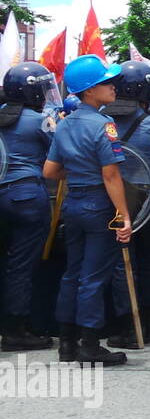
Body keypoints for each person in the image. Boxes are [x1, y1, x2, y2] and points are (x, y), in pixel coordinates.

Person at [43, 55, 135, 365]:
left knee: (73, 274)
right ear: (88, 90)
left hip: (75, 204)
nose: (112, 87)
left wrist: (79, 172)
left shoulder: (66, 124)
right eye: (105, 83)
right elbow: (111, 175)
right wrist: (123, 214)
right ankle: (90, 344)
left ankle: (67, 343)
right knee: (94, 277)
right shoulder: (104, 124)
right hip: (98, 205)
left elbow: (50, 171)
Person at [100, 61, 150, 349]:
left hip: (110, 201)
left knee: (119, 264)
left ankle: (124, 325)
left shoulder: (100, 121)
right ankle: (146, 325)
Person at [0, 62, 58, 351]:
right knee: (20, 266)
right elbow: (60, 154)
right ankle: (15, 330)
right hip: (26, 197)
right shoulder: (40, 120)